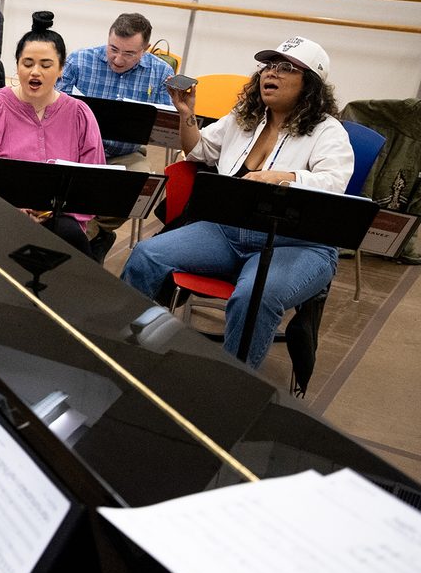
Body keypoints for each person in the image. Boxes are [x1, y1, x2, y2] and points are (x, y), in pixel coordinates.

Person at [122, 36, 353, 368]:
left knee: (254, 296)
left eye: (285, 67)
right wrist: (186, 114)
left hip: (296, 244)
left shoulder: (328, 132)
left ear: (310, 84)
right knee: (146, 255)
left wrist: (283, 177)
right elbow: (199, 152)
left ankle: (231, 384)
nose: (270, 73)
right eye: (268, 65)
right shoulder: (244, 118)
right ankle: (125, 350)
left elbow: (334, 184)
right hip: (228, 232)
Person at [0, 13, 106, 258]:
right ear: (16, 66)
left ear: (61, 69)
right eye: (27, 64)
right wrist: (3, 206)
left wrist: (47, 212)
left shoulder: (80, 114)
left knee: (70, 239)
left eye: (46, 65)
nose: (35, 73)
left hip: (57, 218)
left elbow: (92, 181)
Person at [59, 12, 175, 257]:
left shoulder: (161, 72)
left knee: (142, 185)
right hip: (76, 148)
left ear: (145, 49)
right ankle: (88, 238)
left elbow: (168, 132)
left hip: (125, 153)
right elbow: (54, 108)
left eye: (129, 53)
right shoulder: (80, 60)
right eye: (113, 49)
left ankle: (92, 230)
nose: (118, 59)